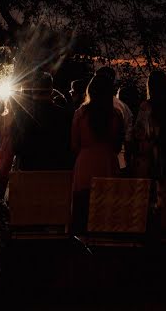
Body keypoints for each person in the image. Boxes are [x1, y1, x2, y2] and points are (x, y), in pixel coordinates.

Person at [70, 74, 125, 232]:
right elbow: (116, 146)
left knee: (82, 214)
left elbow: (74, 145)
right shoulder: (116, 115)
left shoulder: (80, 114)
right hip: (108, 165)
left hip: (85, 167)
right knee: (107, 217)